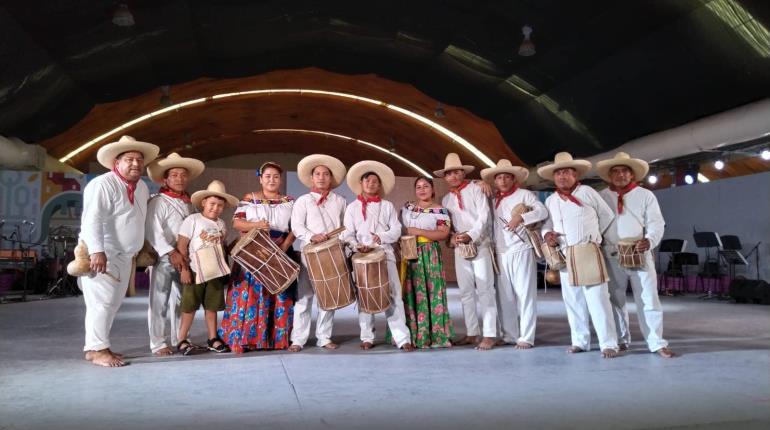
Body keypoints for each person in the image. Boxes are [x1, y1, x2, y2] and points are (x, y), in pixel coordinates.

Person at [80, 135, 159, 367]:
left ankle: (98, 346)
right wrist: (96, 250)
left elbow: (138, 220)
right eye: (129, 159)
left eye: (139, 160)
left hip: (127, 256)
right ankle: (98, 350)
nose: (135, 164)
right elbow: (92, 219)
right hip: (104, 254)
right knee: (101, 302)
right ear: (116, 161)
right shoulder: (102, 184)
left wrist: (142, 248)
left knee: (112, 303)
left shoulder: (142, 187)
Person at [538, 152, 620, 358]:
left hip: (587, 250)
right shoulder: (551, 200)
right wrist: (547, 234)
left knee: (598, 299)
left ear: (575, 175)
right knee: (572, 300)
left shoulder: (587, 191)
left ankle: (608, 343)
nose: (562, 177)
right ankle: (580, 341)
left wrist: (596, 239)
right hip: (565, 254)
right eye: (558, 173)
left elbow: (607, 216)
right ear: (553, 177)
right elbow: (546, 224)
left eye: (566, 172)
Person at [596, 152, 675, 358]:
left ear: (632, 175)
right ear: (610, 175)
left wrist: (649, 241)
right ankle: (621, 340)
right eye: (616, 171)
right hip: (611, 253)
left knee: (649, 298)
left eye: (625, 171)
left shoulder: (646, 195)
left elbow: (656, 222)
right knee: (615, 298)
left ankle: (656, 342)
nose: (620, 175)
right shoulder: (602, 196)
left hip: (640, 252)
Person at [219, 162, 297, 352]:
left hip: (280, 250)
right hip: (253, 250)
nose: (272, 180)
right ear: (261, 179)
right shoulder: (249, 198)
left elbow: (296, 226)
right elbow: (237, 223)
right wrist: (256, 226)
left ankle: (276, 340)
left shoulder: (289, 201)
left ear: (281, 179)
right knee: (250, 293)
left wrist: (284, 247)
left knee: (279, 292)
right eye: (268, 176)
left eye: (276, 176)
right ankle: (245, 339)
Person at [342, 161, 414, 351]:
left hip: (385, 254)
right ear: (361, 183)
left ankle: (402, 338)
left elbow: (396, 230)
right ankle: (367, 336)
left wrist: (380, 237)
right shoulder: (352, 207)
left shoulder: (388, 205)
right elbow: (347, 233)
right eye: (368, 180)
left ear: (379, 185)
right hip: (361, 257)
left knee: (394, 295)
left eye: (375, 181)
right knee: (365, 296)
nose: (372, 184)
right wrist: (357, 246)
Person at [481, 159, 548, 349]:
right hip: (501, 252)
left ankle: (526, 337)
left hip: (521, 249)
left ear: (513, 179)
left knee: (525, 294)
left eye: (506, 177)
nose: (502, 181)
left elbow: (541, 211)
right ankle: (510, 335)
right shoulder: (493, 200)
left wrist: (521, 217)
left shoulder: (524, 194)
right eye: (499, 177)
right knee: (505, 296)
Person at [435, 153, 498, 350]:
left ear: (463, 173)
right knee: (465, 291)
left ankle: (490, 334)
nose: (453, 176)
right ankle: (472, 332)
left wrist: (472, 235)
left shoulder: (476, 189)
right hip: (461, 248)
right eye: (449, 174)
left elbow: (484, 216)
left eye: (456, 172)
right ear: (445, 178)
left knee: (485, 289)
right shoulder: (445, 200)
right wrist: (452, 237)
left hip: (479, 244)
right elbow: (448, 225)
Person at [145, 153, 204, 356]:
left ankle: (181, 338)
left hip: (186, 258)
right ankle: (158, 343)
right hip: (165, 257)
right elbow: (153, 230)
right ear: (165, 179)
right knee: (159, 300)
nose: (179, 179)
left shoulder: (190, 203)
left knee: (182, 300)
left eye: (183, 175)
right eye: (174, 175)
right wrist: (171, 252)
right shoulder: (158, 202)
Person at [289, 154, 348, 352]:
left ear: (331, 178)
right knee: (304, 297)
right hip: (309, 254)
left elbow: (345, 227)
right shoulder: (303, 201)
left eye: (325, 174)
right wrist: (311, 236)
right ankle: (298, 339)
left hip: (332, 254)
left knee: (328, 296)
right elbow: (297, 226)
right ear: (312, 178)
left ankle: (324, 337)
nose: (321, 177)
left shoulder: (340, 201)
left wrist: (339, 244)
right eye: (317, 174)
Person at [175, 180, 238, 355]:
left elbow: (221, 247)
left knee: (212, 306)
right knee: (190, 306)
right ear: (203, 202)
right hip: (195, 270)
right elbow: (182, 246)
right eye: (212, 204)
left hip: (214, 271)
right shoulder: (192, 220)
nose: (215, 208)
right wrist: (185, 269)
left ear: (224, 207)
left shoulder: (221, 225)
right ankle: (182, 339)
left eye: (219, 205)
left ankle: (212, 338)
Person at [399, 176, 454, 348]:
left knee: (432, 291)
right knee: (409, 293)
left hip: (429, 252)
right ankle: (411, 335)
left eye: (426, 186)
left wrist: (418, 231)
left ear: (432, 189)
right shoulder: (407, 207)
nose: (422, 190)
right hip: (409, 253)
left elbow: (443, 233)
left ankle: (435, 335)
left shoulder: (440, 210)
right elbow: (399, 227)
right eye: (419, 187)